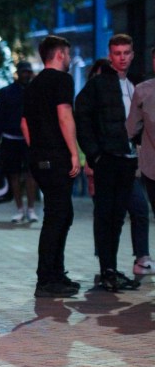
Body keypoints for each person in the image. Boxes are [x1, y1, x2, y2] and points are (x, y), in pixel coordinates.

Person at [74, 34, 141, 292]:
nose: (122, 57)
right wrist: (95, 154)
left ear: (132, 54)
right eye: (117, 53)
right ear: (110, 56)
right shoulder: (99, 85)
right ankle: (107, 271)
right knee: (106, 215)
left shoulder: (134, 85)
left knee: (117, 216)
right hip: (108, 159)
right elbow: (83, 117)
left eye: (126, 52)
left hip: (127, 159)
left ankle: (110, 269)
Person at [20, 35, 80, 298]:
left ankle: (55, 273)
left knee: (60, 214)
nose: (68, 58)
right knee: (58, 216)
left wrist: (36, 148)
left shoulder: (32, 85)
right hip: (57, 158)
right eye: (67, 54)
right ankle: (47, 279)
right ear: (59, 55)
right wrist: (74, 153)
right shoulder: (62, 80)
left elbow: (24, 123)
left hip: (39, 159)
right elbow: (65, 116)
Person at [0, 61, 39, 222]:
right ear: (18, 73)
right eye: (24, 72)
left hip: (30, 139)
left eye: (28, 72)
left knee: (31, 174)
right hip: (10, 137)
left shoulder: (36, 91)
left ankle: (31, 209)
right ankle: (20, 208)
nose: (26, 75)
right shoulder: (6, 92)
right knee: (13, 174)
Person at [127, 46, 155, 274]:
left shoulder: (142, 90)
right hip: (151, 166)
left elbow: (131, 128)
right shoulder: (143, 91)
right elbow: (131, 128)